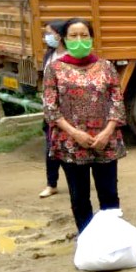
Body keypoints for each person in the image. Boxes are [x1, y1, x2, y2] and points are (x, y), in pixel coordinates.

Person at [42, 18, 126, 233]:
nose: (79, 40)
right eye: (73, 36)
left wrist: (107, 132)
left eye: (84, 35)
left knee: (109, 193)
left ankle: (113, 237)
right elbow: (51, 107)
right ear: (64, 39)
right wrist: (74, 133)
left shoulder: (106, 67)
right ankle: (87, 238)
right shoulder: (54, 69)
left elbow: (117, 101)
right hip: (71, 143)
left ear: (91, 38)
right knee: (79, 196)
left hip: (104, 143)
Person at [39, 20, 67, 198]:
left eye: (49, 33)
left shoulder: (71, 55)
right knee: (51, 147)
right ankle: (51, 184)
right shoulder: (49, 55)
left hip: (68, 111)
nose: (46, 37)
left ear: (59, 34)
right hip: (51, 111)